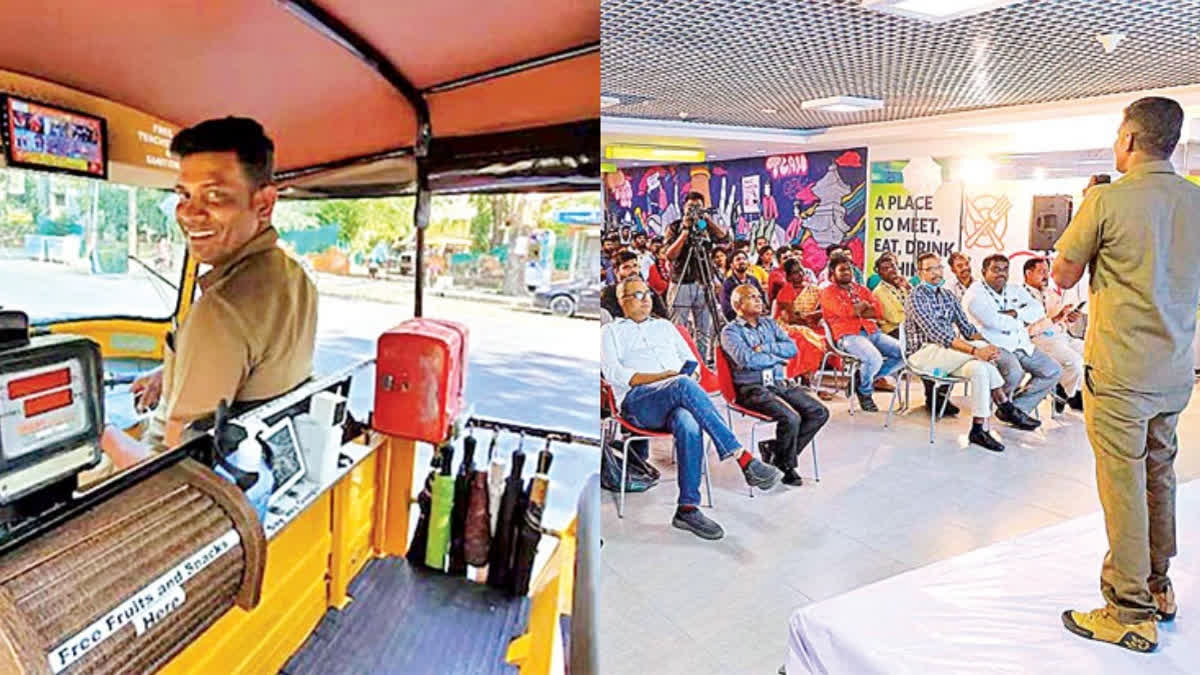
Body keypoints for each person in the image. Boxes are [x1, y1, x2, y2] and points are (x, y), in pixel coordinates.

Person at [1054, 97, 1200, 652]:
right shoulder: (1196, 201)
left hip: (1119, 374)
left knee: (1123, 489)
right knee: (1159, 474)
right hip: (1174, 371)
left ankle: (1128, 609)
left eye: (1118, 135)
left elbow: (1064, 274)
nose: (1116, 145)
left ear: (1132, 140)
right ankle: (1159, 587)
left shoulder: (1106, 199)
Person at [101, 116, 318, 467]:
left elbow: (170, 472)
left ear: (264, 204)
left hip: (163, 490)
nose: (189, 213)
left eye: (215, 196)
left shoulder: (221, 311)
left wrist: (99, 430)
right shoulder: (294, 277)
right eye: (184, 195)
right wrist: (168, 376)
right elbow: (253, 363)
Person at [601, 277, 783, 541]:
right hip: (637, 403)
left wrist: (690, 375)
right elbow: (614, 373)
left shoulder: (665, 327)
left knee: (687, 419)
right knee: (682, 385)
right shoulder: (611, 332)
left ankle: (687, 508)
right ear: (622, 301)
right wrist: (666, 378)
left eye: (648, 293)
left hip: (675, 395)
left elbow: (692, 361)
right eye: (638, 295)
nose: (647, 299)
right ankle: (742, 457)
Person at [904, 252, 1038, 451]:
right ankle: (1005, 405)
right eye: (929, 269)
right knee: (981, 354)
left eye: (938, 267)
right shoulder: (915, 297)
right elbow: (939, 335)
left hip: (949, 354)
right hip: (923, 354)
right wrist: (978, 349)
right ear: (919, 273)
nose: (936, 272)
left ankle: (978, 429)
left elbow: (967, 329)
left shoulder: (948, 295)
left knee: (980, 369)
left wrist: (988, 345)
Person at [721, 285, 829, 486]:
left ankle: (777, 454)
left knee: (819, 412)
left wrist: (767, 349)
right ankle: (787, 466)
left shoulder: (770, 324)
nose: (759, 300)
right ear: (737, 305)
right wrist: (776, 359)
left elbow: (792, 348)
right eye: (751, 297)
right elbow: (747, 359)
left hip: (779, 383)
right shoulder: (730, 332)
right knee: (791, 417)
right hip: (752, 387)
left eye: (759, 296)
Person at [963, 255, 1062, 420]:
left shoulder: (1014, 289)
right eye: (996, 269)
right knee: (1014, 373)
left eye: (1004, 270)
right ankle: (1004, 405)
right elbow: (994, 322)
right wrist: (1021, 321)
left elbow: (1038, 310)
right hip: (993, 345)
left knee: (1052, 371)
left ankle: (1016, 409)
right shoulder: (974, 294)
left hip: (1021, 344)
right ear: (983, 272)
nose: (1001, 274)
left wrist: (1016, 312)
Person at [819, 255, 903, 411]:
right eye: (842, 269)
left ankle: (860, 379)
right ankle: (865, 392)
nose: (847, 272)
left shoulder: (861, 289)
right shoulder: (828, 292)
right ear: (833, 272)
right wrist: (863, 306)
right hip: (848, 336)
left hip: (872, 332)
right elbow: (846, 311)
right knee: (874, 359)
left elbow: (877, 311)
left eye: (849, 269)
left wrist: (862, 308)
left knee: (905, 353)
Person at [663, 191, 729, 360]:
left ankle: (701, 365)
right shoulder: (674, 227)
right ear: (683, 207)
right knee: (679, 328)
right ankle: (678, 363)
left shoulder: (704, 226)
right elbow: (670, 255)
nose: (694, 211)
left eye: (698, 207)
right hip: (681, 282)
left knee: (704, 330)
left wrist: (706, 220)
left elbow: (724, 239)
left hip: (703, 282)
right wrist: (684, 232)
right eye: (690, 207)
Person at [1022, 257, 1084, 413]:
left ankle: (1067, 389)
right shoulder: (1019, 296)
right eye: (1041, 272)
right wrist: (1054, 319)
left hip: (1061, 336)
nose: (1046, 276)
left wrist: (1068, 319)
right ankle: (1070, 393)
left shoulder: (1051, 294)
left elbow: (1059, 322)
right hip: (1039, 340)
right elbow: (1027, 330)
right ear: (1028, 273)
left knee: (1091, 352)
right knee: (1074, 361)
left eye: (1047, 272)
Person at [773, 258, 836, 395]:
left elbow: (825, 308)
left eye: (801, 271)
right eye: (795, 273)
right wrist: (807, 321)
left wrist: (816, 315)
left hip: (808, 323)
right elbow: (791, 318)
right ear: (788, 277)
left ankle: (808, 376)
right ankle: (803, 377)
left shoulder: (813, 289)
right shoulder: (786, 291)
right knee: (802, 339)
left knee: (829, 336)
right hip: (787, 326)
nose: (800, 274)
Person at [601, 250, 669, 320]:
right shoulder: (609, 293)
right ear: (616, 271)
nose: (633, 270)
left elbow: (663, 316)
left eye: (635, 266)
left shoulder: (648, 290)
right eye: (626, 267)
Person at [871, 252, 910, 337]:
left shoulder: (903, 286)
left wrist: (908, 288)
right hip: (894, 331)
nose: (891, 270)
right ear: (880, 274)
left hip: (908, 327)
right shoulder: (879, 292)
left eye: (893, 266)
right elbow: (895, 318)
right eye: (885, 269)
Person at [720, 250, 765, 322]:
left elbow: (762, 299)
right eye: (738, 259)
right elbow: (727, 309)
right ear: (731, 265)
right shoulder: (727, 284)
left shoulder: (753, 280)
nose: (742, 261)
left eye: (744, 259)